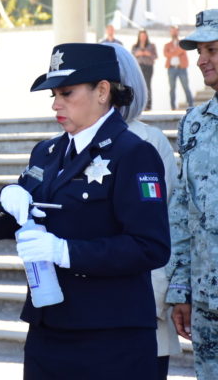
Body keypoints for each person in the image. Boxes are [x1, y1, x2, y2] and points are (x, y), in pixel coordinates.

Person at [0, 43, 170, 379]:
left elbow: (150, 246)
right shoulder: (47, 152)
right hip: (49, 328)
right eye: (53, 94)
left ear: (102, 91)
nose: (56, 104)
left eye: (67, 93)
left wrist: (64, 251)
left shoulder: (133, 153)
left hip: (110, 336)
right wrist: (5, 200)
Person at [103, 42, 181, 379]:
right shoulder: (62, 147)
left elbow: (172, 220)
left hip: (144, 302)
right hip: (83, 312)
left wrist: (169, 294)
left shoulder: (149, 142)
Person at [166, 9, 218, 380]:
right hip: (205, 302)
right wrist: (181, 288)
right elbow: (183, 209)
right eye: (199, 51)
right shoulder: (194, 122)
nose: (201, 60)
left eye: (212, 50)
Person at [163, 25, 194, 110]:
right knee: (172, 88)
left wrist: (172, 52)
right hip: (171, 69)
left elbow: (181, 50)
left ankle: (191, 105)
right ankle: (173, 107)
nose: (174, 32)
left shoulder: (182, 43)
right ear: (170, 32)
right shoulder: (167, 45)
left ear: (178, 32)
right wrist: (176, 52)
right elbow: (166, 54)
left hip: (182, 68)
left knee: (186, 87)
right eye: (172, 31)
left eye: (175, 31)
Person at [131, 29, 157, 111]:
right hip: (138, 68)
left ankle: (148, 106)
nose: (143, 37)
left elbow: (155, 56)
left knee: (147, 85)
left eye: (144, 36)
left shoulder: (151, 46)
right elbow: (133, 55)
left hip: (148, 67)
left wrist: (146, 53)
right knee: (138, 86)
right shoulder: (135, 46)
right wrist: (142, 53)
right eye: (141, 36)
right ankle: (139, 105)